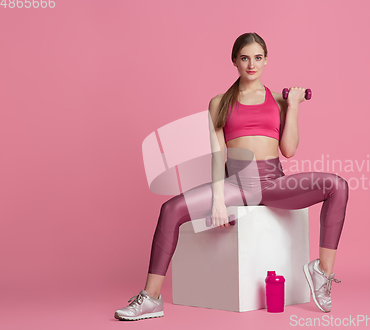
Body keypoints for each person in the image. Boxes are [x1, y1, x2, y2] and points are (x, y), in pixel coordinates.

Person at [114, 32, 349, 321]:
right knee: (170, 209)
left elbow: (289, 150)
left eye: (258, 58)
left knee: (337, 185)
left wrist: (294, 106)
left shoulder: (279, 100)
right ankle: (150, 298)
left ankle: (321, 272)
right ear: (234, 61)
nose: (252, 64)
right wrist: (217, 201)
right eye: (245, 58)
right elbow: (217, 155)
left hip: (273, 183)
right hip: (236, 184)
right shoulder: (219, 103)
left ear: (266, 60)